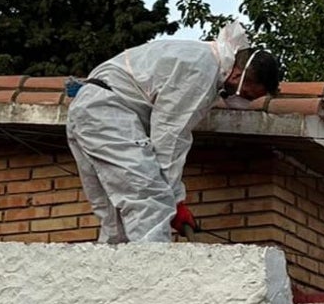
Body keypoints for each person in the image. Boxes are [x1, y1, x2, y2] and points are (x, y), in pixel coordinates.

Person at [65, 22, 282, 243]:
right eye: (245, 94)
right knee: (151, 202)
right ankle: (154, 273)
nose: (241, 100)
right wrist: (175, 201)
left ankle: (114, 274)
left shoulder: (200, 57)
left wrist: (175, 199)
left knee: (116, 220)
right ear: (237, 75)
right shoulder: (202, 70)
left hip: (89, 110)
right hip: (108, 111)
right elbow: (169, 137)